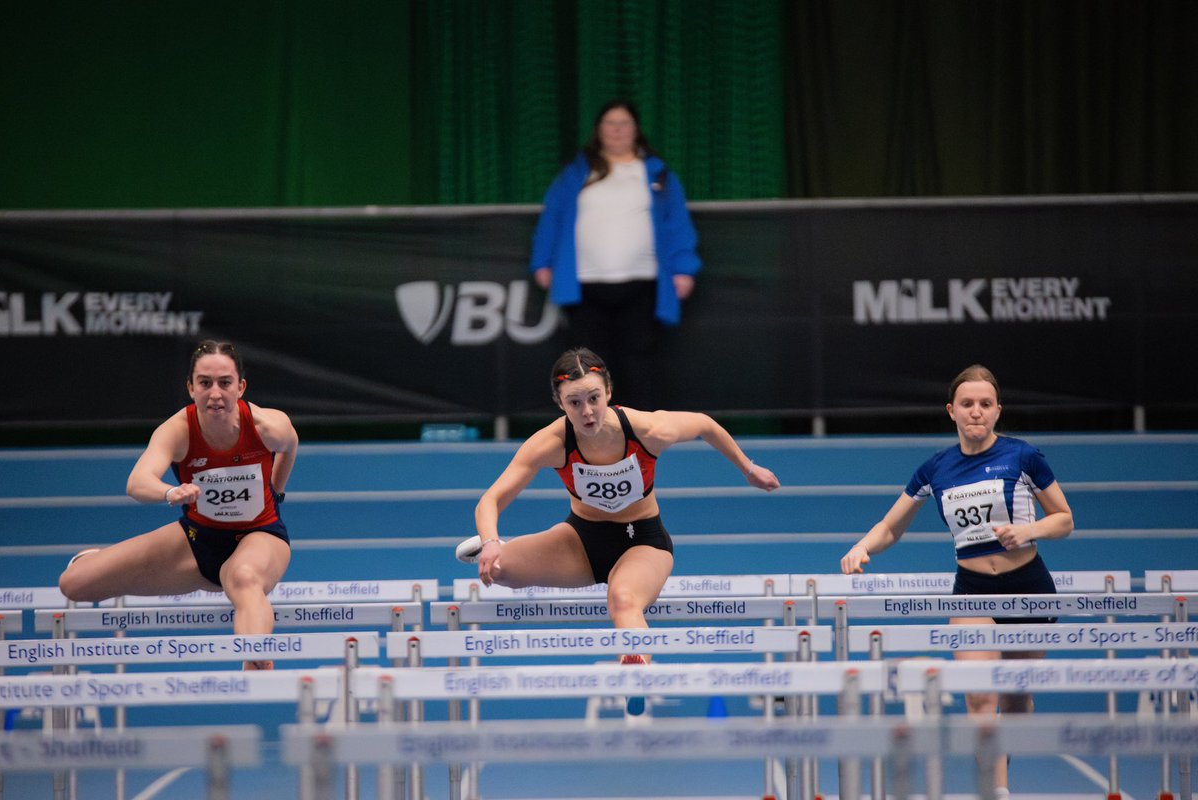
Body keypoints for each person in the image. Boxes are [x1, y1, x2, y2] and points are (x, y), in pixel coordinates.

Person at [456, 348, 779, 711]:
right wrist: (489, 542)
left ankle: (635, 676)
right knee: (497, 570)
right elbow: (490, 500)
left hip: (642, 541)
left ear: (609, 391)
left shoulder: (647, 430)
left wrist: (748, 468)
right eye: (575, 403)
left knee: (623, 599)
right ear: (560, 404)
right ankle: (496, 545)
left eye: (594, 398)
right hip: (580, 541)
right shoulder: (551, 443)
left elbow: (705, 424)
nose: (587, 411)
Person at [840, 364, 1073, 796]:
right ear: (952, 411)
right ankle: (996, 791)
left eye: (985, 404)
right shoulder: (935, 469)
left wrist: (1028, 530)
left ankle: (1003, 770)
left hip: (1029, 588)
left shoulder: (1023, 457)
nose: (976, 412)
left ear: (998, 411)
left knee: (1018, 700)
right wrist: (863, 547)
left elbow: (1064, 519)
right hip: (973, 593)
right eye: (967, 404)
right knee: (980, 697)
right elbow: (891, 526)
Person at [58, 340, 298, 670]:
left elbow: (291, 442)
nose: (215, 394)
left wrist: (276, 491)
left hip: (260, 536)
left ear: (240, 387)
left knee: (244, 577)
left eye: (225, 383)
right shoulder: (177, 431)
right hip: (196, 542)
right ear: (191, 387)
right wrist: (169, 493)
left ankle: (257, 666)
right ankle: (97, 558)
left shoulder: (267, 426)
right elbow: (137, 482)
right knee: (74, 584)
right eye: (205, 383)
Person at [530, 99, 701, 410]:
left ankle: (638, 429)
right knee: (588, 361)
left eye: (624, 123)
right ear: (599, 130)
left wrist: (683, 267)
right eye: (611, 123)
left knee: (639, 356)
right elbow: (552, 217)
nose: (618, 130)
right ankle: (593, 429)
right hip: (586, 284)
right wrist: (543, 262)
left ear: (635, 130)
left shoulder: (657, 174)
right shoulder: (576, 173)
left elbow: (677, 223)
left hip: (642, 283)